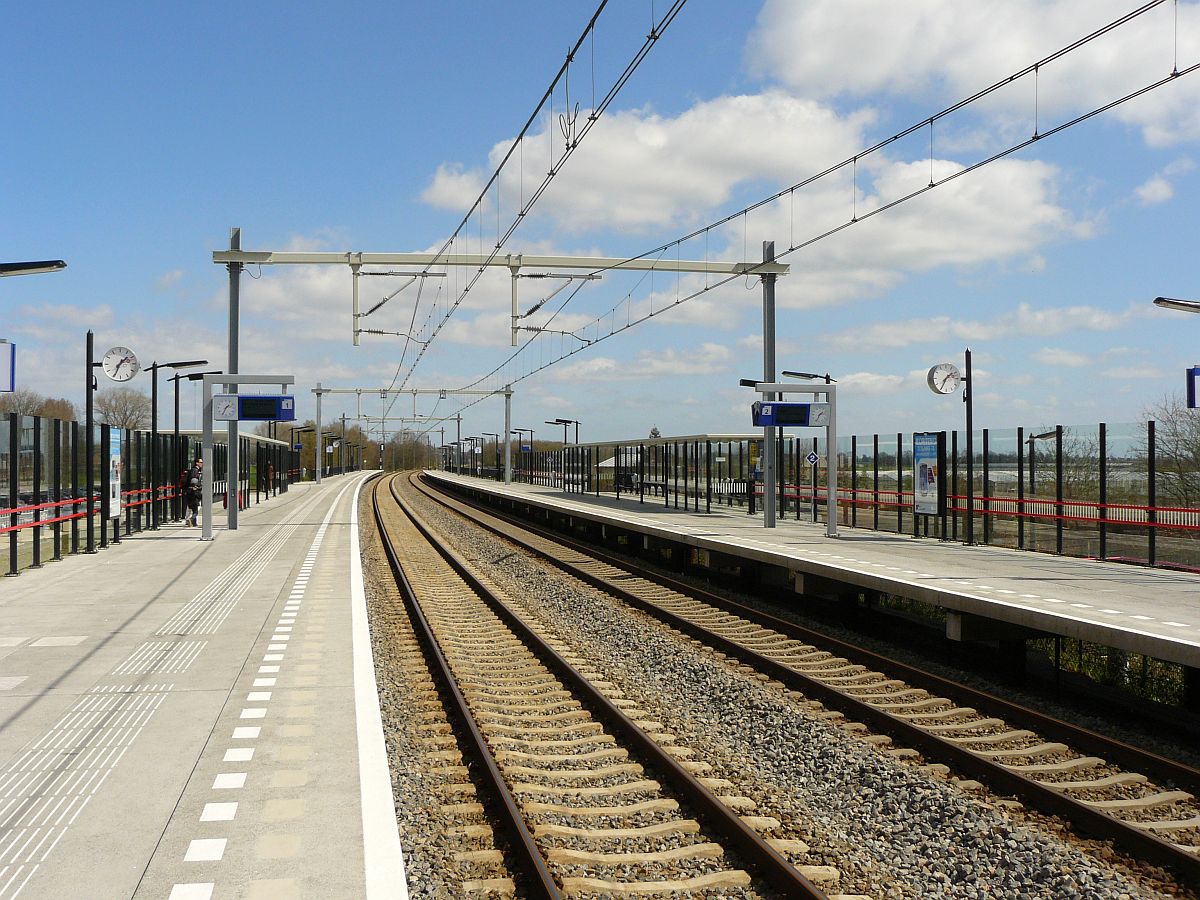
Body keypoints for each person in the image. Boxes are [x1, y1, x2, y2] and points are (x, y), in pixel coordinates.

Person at [183, 457, 203, 526]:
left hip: (190, 491)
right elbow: (193, 481)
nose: (202, 464)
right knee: (196, 507)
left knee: (193, 507)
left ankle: (193, 522)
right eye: (201, 462)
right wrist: (196, 487)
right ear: (197, 463)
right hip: (194, 492)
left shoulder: (193, 470)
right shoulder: (195, 471)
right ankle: (191, 520)